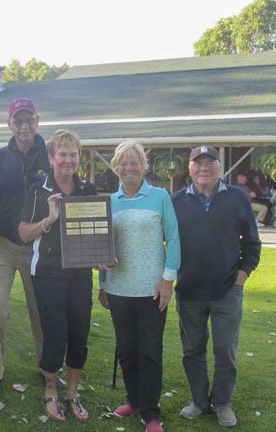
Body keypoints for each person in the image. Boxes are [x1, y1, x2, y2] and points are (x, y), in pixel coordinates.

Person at [171, 146, 261, 428]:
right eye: (198, 163)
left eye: (210, 163)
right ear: (189, 168)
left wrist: (242, 276)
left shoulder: (237, 197)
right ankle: (199, 401)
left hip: (226, 291)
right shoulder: (175, 201)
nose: (204, 168)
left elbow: (252, 243)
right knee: (192, 351)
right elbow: (163, 242)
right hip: (189, 292)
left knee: (225, 350)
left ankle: (222, 402)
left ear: (219, 168)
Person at [97, 140, 180, 432]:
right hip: (119, 290)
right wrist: (102, 283)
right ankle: (133, 400)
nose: (129, 168)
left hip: (151, 290)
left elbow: (174, 239)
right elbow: (104, 247)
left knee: (149, 352)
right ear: (116, 167)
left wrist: (167, 280)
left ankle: (152, 413)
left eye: (134, 162)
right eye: (123, 162)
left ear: (143, 166)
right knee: (127, 351)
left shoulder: (160, 197)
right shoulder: (110, 202)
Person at [0, 97, 49, 399]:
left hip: (39, 249)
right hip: (2, 245)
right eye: (18, 120)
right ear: (10, 124)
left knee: (40, 310)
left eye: (29, 119)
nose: (24, 125)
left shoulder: (50, 156)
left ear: (37, 121)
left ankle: (48, 368)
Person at [18, 130, 97, 422]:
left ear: (79, 158)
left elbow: (97, 231)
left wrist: (102, 255)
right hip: (48, 274)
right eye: (62, 154)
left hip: (80, 273)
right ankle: (51, 389)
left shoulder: (87, 190)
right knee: (55, 335)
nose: (68, 160)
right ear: (52, 157)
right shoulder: (38, 189)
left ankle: (73, 393)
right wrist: (49, 220)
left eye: (73, 154)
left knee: (79, 334)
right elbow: (23, 233)